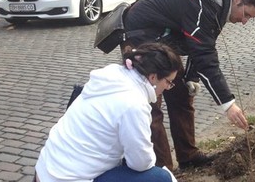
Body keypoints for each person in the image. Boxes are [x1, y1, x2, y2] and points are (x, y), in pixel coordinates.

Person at [122, 0, 255, 169]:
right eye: (246, 14)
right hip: (142, 36)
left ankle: (188, 156)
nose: (244, 22)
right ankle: (163, 170)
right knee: (150, 106)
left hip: (165, 39)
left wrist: (190, 77)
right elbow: (206, 57)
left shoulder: (219, 4)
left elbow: (197, 43)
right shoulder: (204, 5)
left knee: (182, 94)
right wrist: (228, 104)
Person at [35, 43, 183, 182]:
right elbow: (141, 163)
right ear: (153, 77)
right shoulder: (134, 103)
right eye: (168, 82)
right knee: (161, 178)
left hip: (46, 169)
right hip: (69, 178)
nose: (168, 87)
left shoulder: (112, 75)